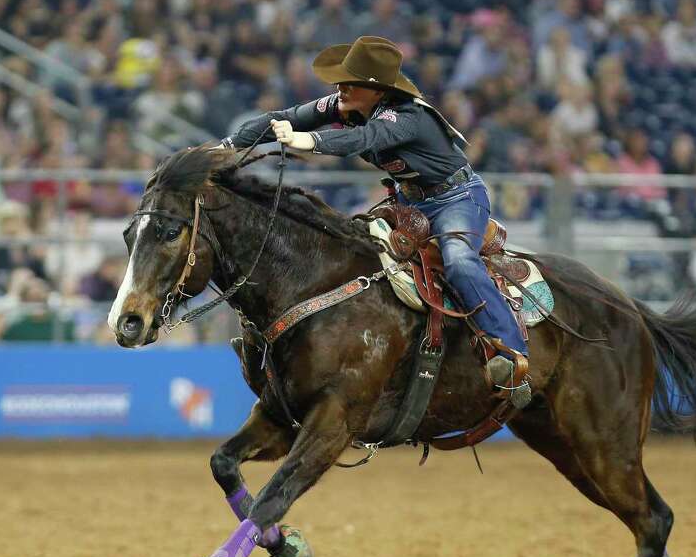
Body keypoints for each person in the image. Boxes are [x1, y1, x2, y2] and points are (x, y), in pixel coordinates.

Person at [223, 36, 531, 407]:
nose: (340, 88)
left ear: (376, 89)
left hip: (457, 199)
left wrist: (309, 141)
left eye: (350, 82)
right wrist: (228, 146)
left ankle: (510, 353)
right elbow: (285, 117)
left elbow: (365, 137)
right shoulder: (344, 105)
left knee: (460, 260)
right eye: (340, 81)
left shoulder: (407, 116)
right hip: (408, 202)